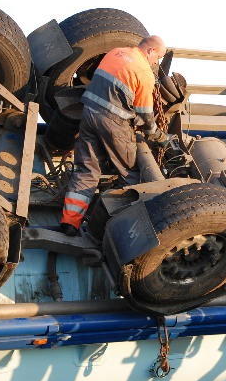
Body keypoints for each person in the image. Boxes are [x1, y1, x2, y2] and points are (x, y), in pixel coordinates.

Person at [59, 35, 168, 236]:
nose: (156, 62)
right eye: (158, 57)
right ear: (151, 51)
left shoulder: (116, 52)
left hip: (89, 115)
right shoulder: (144, 72)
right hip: (113, 124)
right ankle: (120, 229)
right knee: (130, 172)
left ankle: (70, 222)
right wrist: (158, 136)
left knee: (86, 170)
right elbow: (145, 115)